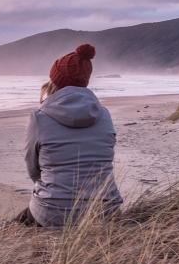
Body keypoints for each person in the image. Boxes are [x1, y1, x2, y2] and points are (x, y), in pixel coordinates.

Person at [17, 43, 122, 227]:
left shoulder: (39, 118)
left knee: (15, 223)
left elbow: (33, 169)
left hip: (53, 211)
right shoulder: (104, 114)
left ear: (54, 80)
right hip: (105, 210)